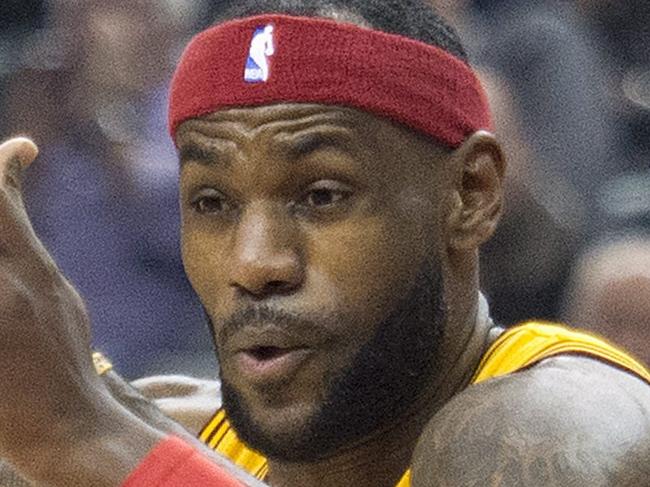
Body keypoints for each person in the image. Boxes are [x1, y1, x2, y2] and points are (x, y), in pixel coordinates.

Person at [0, 1, 648, 486]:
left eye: (322, 195)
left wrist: (83, 437)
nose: (254, 263)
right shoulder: (181, 430)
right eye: (212, 203)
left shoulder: (559, 426)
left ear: (471, 194)